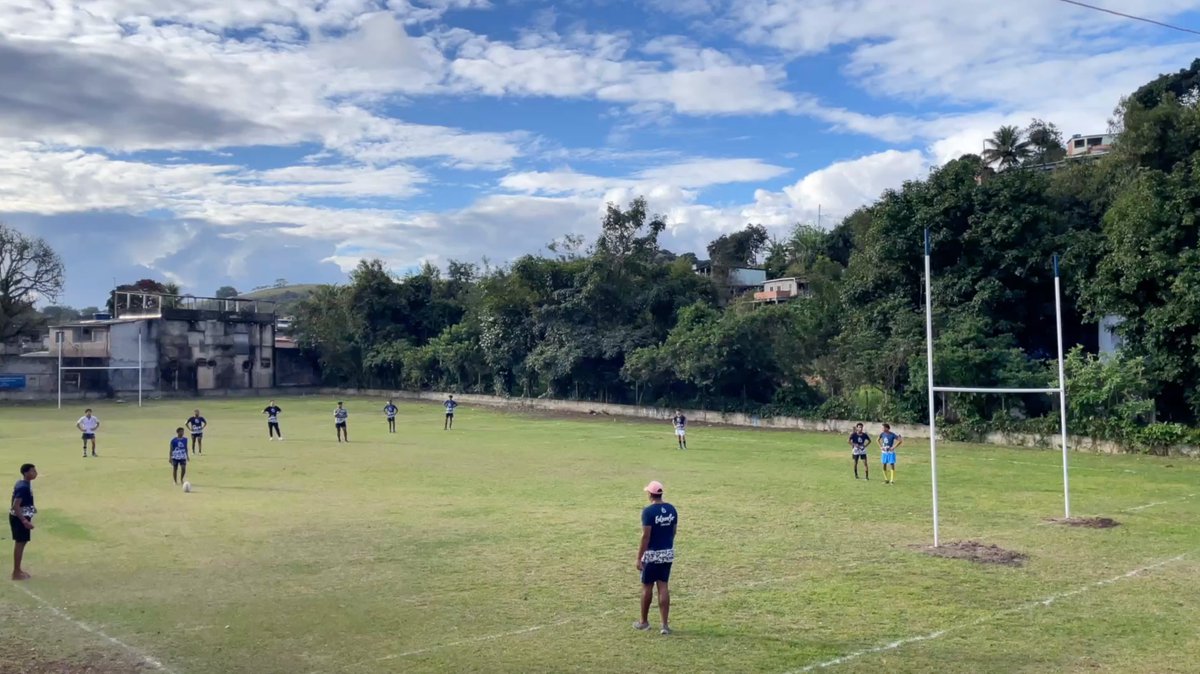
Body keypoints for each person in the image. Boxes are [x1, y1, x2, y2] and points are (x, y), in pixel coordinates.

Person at [634, 480, 678, 636]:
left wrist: (639, 557)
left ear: (649, 494)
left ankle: (643, 622)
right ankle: (664, 625)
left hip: (652, 554)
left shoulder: (648, 512)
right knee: (663, 586)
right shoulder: (672, 509)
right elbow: (673, 531)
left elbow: (646, 536)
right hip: (667, 553)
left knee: (647, 586)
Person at [10, 463, 37, 581]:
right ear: (26, 473)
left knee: (22, 543)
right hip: (19, 519)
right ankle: (16, 572)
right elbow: (15, 505)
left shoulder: (24, 484)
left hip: (22, 517)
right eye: (32, 471)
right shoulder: (23, 487)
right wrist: (24, 521)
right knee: (20, 544)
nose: (35, 473)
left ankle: (18, 569)